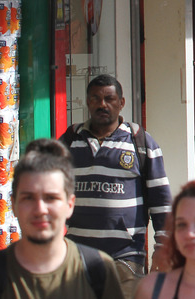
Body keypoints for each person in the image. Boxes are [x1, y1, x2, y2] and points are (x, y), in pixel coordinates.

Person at [61, 74, 171, 297]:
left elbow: (161, 201)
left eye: (109, 98)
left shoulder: (140, 143)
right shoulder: (69, 141)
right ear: (87, 102)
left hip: (125, 259)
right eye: (95, 98)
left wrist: (163, 248)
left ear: (121, 103)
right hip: (77, 257)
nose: (102, 104)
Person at [0, 139, 126, 299]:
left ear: (70, 205)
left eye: (51, 198)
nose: (40, 209)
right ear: (13, 205)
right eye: (28, 198)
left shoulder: (98, 270)